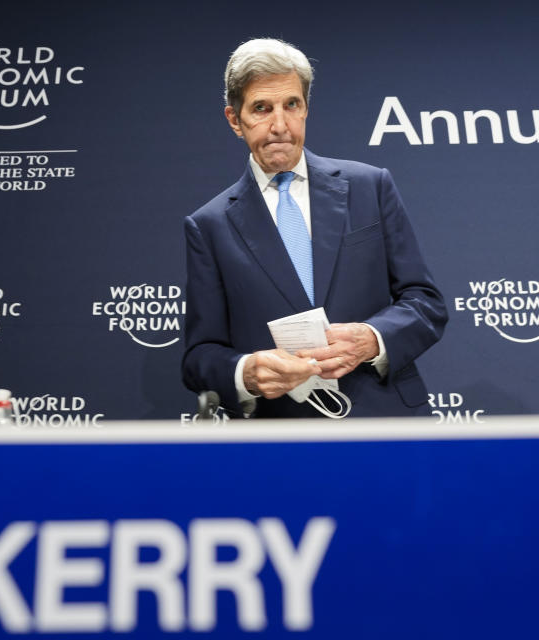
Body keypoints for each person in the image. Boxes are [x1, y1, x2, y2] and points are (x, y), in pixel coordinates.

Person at [182, 38, 446, 418]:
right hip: (282, 433)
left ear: (306, 108)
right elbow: (199, 357)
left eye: (292, 105)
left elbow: (425, 302)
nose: (280, 125)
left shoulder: (370, 186)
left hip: (386, 420)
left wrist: (372, 339)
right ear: (234, 120)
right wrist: (246, 373)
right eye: (261, 108)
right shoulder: (208, 225)